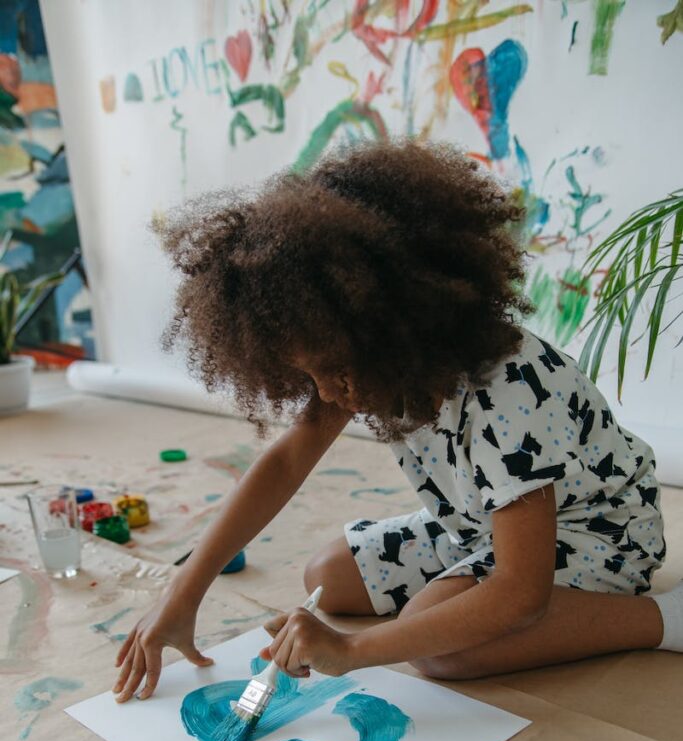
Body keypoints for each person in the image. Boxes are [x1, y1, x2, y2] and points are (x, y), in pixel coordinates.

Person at [114, 140, 682, 702]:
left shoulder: (507, 392)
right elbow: (286, 461)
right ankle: (458, 578)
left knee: (442, 649)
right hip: (477, 523)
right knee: (327, 577)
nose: (330, 394)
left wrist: (353, 651)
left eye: (334, 371)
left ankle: (661, 619)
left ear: (392, 322)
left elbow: (520, 594)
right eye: (310, 377)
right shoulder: (360, 357)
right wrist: (182, 594)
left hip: (594, 530)